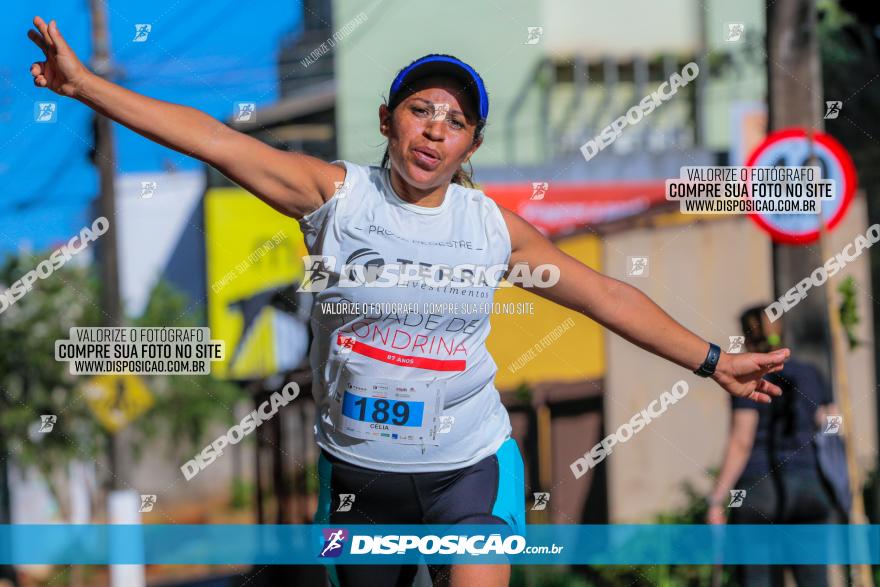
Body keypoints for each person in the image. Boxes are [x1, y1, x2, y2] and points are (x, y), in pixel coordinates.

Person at [27, 16, 792, 587]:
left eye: (457, 121)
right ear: (390, 119)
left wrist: (716, 360)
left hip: (471, 472)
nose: (436, 129)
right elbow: (213, 141)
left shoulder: (490, 229)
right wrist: (85, 85)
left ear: (471, 147)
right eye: (422, 109)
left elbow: (605, 295)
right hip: (360, 480)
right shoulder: (334, 198)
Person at [707, 305, 842, 587]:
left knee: (757, 578)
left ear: (747, 337)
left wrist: (717, 499)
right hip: (811, 487)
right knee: (815, 581)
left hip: (759, 490)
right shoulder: (810, 372)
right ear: (780, 330)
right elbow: (834, 425)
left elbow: (742, 441)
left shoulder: (749, 375)